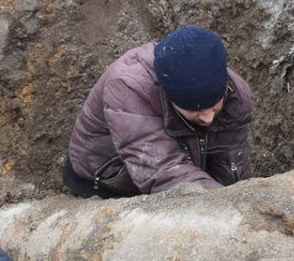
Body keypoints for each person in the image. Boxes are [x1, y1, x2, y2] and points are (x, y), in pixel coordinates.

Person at [65, 25, 254, 197]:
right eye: (194, 110)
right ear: (168, 95)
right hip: (108, 184)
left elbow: (232, 166)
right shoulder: (128, 88)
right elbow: (162, 171)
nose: (208, 118)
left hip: (185, 169)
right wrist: (222, 204)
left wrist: (240, 203)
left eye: (214, 106)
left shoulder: (236, 96)